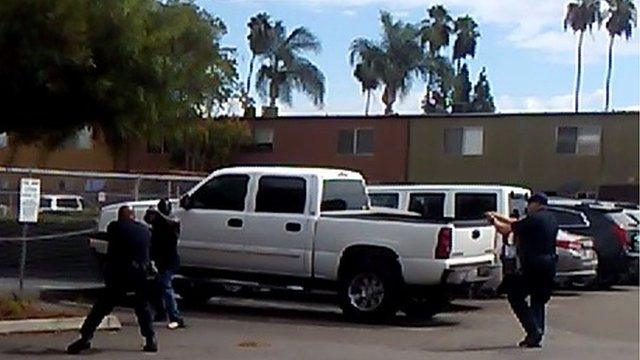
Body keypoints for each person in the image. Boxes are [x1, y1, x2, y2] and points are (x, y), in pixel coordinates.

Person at [67, 206, 157, 354]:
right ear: (133, 216)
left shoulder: (115, 227)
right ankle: (150, 339)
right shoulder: (145, 231)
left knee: (101, 308)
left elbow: (112, 242)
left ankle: (85, 338)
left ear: (120, 216)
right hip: (141, 274)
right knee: (142, 308)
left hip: (120, 274)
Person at [486, 193, 558, 348]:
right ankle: (536, 334)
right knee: (538, 299)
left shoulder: (534, 219)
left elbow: (507, 229)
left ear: (536, 204)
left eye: (530, 204)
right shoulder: (551, 219)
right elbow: (516, 223)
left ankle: (533, 331)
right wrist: (498, 215)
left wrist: (493, 221)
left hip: (533, 265)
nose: (527, 207)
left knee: (515, 296)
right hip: (549, 264)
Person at [144, 199, 185, 330]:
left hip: (167, 262)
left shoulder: (168, 226)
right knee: (156, 287)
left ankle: (176, 317)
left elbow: (168, 228)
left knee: (166, 288)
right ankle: (161, 313)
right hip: (163, 262)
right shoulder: (160, 226)